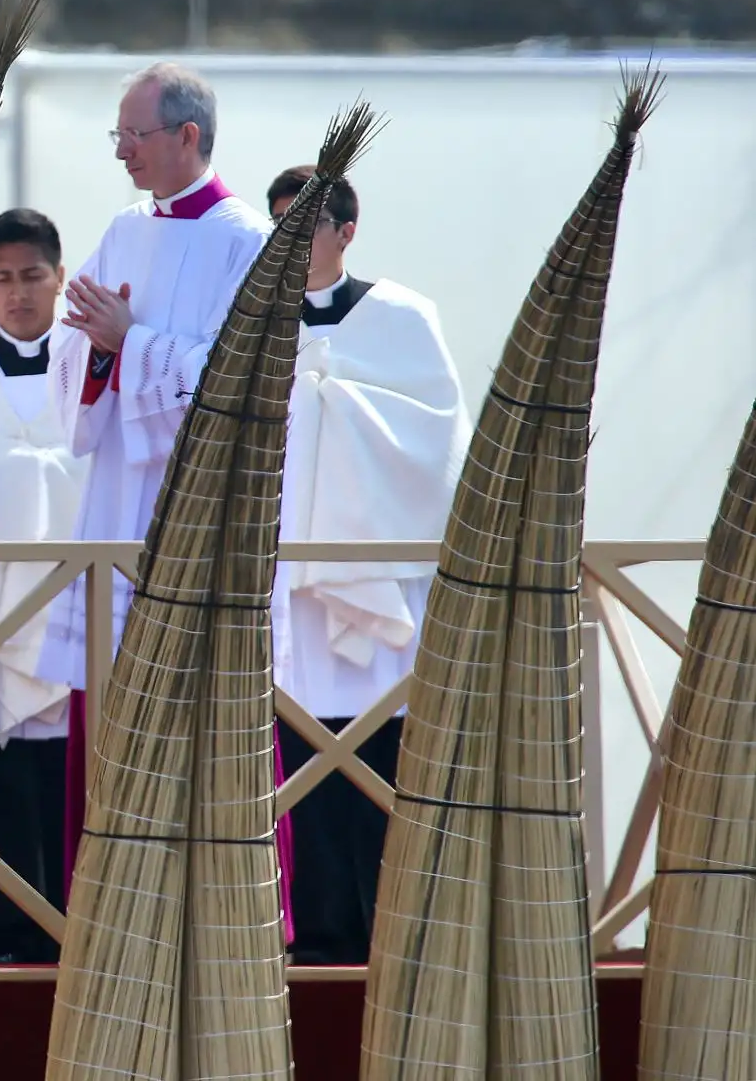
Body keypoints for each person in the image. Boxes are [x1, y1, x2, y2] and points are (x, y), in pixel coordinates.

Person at [35, 63, 274, 902]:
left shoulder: (247, 241)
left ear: (188, 137)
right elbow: (73, 344)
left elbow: (243, 381)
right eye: (117, 137)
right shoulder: (123, 228)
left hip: (199, 514)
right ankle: (104, 896)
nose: (122, 153)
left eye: (133, 137)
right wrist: (102, 347)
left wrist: (130, 340)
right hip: (117, 502)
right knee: (109, 710)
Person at [263, 165, 470, 965]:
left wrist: (334, 403)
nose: (292, 240)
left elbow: (438, 434)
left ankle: (395, 933)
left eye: (306, 224)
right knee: (306, 758)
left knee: (384, 760)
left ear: (346, 231)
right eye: (279, 223)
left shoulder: (404, 317)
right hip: (296, 584)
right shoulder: (256, 324)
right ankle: (319, 932)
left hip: (378, 570)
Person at [0, 208, 88, 964]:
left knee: (64, 770)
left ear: (59, 278)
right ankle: (5, 930)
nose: (18, 295)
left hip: (74, 598)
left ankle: (74, 925)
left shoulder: (90, 364)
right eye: (1, 279)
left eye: (32, 277)